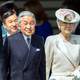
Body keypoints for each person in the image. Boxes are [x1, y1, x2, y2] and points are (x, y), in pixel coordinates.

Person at [4, 11, 46, 80]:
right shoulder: (10, 41)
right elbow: (4, 66)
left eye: (31, 23)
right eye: (25, 23)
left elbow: (42, 67)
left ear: (35, 24)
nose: (29, 26)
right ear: (19, 26)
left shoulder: (39, 40)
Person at [45, 8, 80, 80]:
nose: (68, 26)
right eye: (65, 23)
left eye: (71, 23)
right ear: (59, 24)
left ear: (75, 25)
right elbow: (46, 65)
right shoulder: (51, 40)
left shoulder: (79, 39)